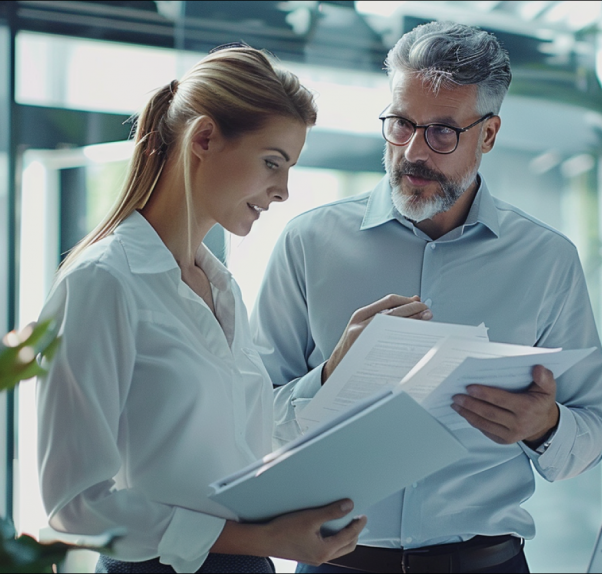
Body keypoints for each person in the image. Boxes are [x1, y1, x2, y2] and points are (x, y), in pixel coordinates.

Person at [252, 21, 602, 574]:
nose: (413, 151)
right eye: (400, 124)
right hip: (335, 564)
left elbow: (590, 437)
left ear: (488, 135)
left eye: (443, 132)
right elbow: (249, 422)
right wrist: (329, 378)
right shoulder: (309, 242)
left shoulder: (547, 260)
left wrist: (544, 426)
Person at [36, 44, 369, 574]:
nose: (283, 190)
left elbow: (247, 444)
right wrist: (256, 538)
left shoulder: (221, 288)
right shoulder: (103, 282)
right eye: (271, 163)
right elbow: (75, 507)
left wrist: (335, 372)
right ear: (206, 138)